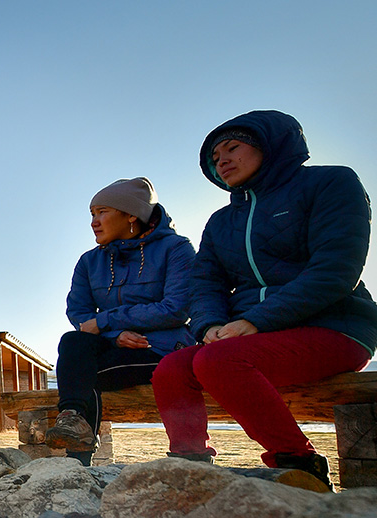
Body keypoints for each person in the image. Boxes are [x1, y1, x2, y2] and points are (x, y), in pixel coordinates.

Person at [151, 110, 377, 487]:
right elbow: (205, 283)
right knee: (173, 369)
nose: (220, 160)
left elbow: (336, 269)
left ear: (270, 146)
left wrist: (258, 320)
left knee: (220, 362)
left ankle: (298, 464)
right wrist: (209, 325)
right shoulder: (221, 222)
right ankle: (191, 471)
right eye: (214, 157)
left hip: (336, 326)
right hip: (249, 337)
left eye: (233, 148)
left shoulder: (331, 182)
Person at [44, 178, 196, 464]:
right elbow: (79, 314)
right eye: (92, 214)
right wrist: (114, 336)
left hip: (162, 349)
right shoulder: (90, 261)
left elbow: (176, 308)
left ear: (131, 215)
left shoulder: (176, 249)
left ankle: (77, 461)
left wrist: (108, 321)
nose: (94, 222)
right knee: (72, 341)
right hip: (114, 348)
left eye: (102, 212)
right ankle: (72, 421)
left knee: (81, 375)